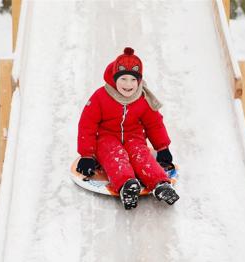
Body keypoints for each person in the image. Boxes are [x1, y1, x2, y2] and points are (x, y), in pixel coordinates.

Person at [76, 47, 179, 210]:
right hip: (106, 138)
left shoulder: (143, 97)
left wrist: (162, 147)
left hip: (134, 137)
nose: (128, 85)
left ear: (139, 80)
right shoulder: (100, 96)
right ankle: (127, 185)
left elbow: (154, 123)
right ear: (114, 78)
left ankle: (160, 184)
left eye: (133, 79)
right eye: (123, 79)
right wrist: (87, 155)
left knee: (142, 156)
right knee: (114, 156)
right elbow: (87, 124)